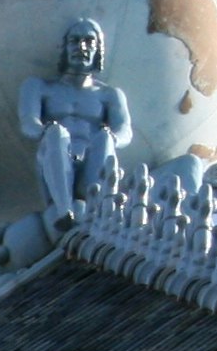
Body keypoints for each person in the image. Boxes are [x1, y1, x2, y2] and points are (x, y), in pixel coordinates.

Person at [19, 18, 132, 226]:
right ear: (64, 48)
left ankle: (95, 209)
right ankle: (64, 211)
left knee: (105, 137)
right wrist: (46, 130)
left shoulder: (109, 94)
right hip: (55, 158)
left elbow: (125, 130)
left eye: (89, 41)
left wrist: (112, 137)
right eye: (75, 41)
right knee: (57, 134)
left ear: (98, 50)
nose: (82, 47)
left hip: (93, 162)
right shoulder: (40, 86)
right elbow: (28, 123)